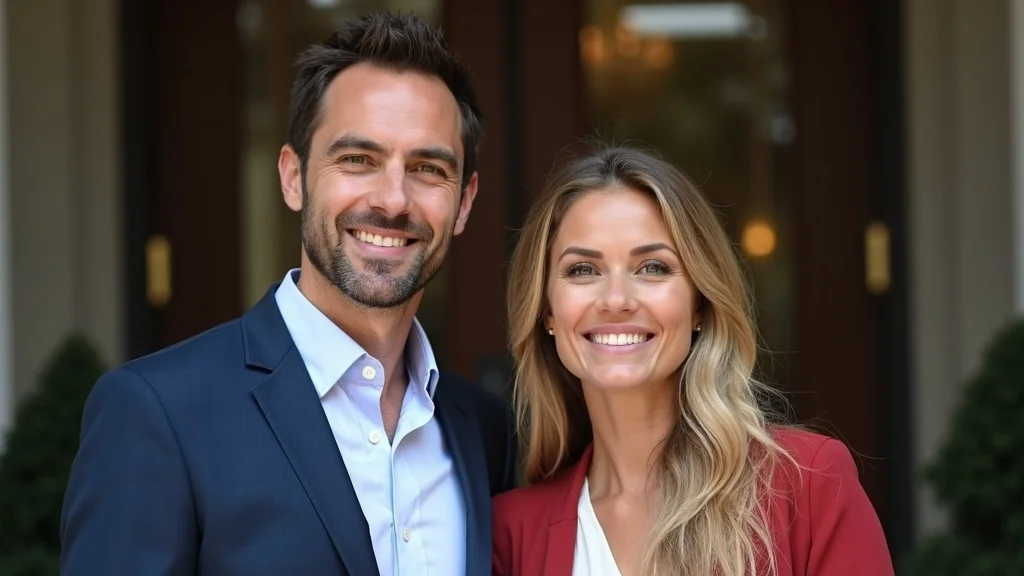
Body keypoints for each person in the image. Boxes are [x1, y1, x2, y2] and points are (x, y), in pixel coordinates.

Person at [60, 12, 517, 576]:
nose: (394, 200)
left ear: (464, 202)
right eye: (358, 160)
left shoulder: (483, 431)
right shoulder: (158, 413)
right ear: (293, 177)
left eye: (428, 168)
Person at [492, 144, 894, 576]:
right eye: (582, 270)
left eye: (652, 267)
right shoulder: (511, 535)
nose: (616, 299)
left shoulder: (808, 484)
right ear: (548, 312)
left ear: (699, 304)